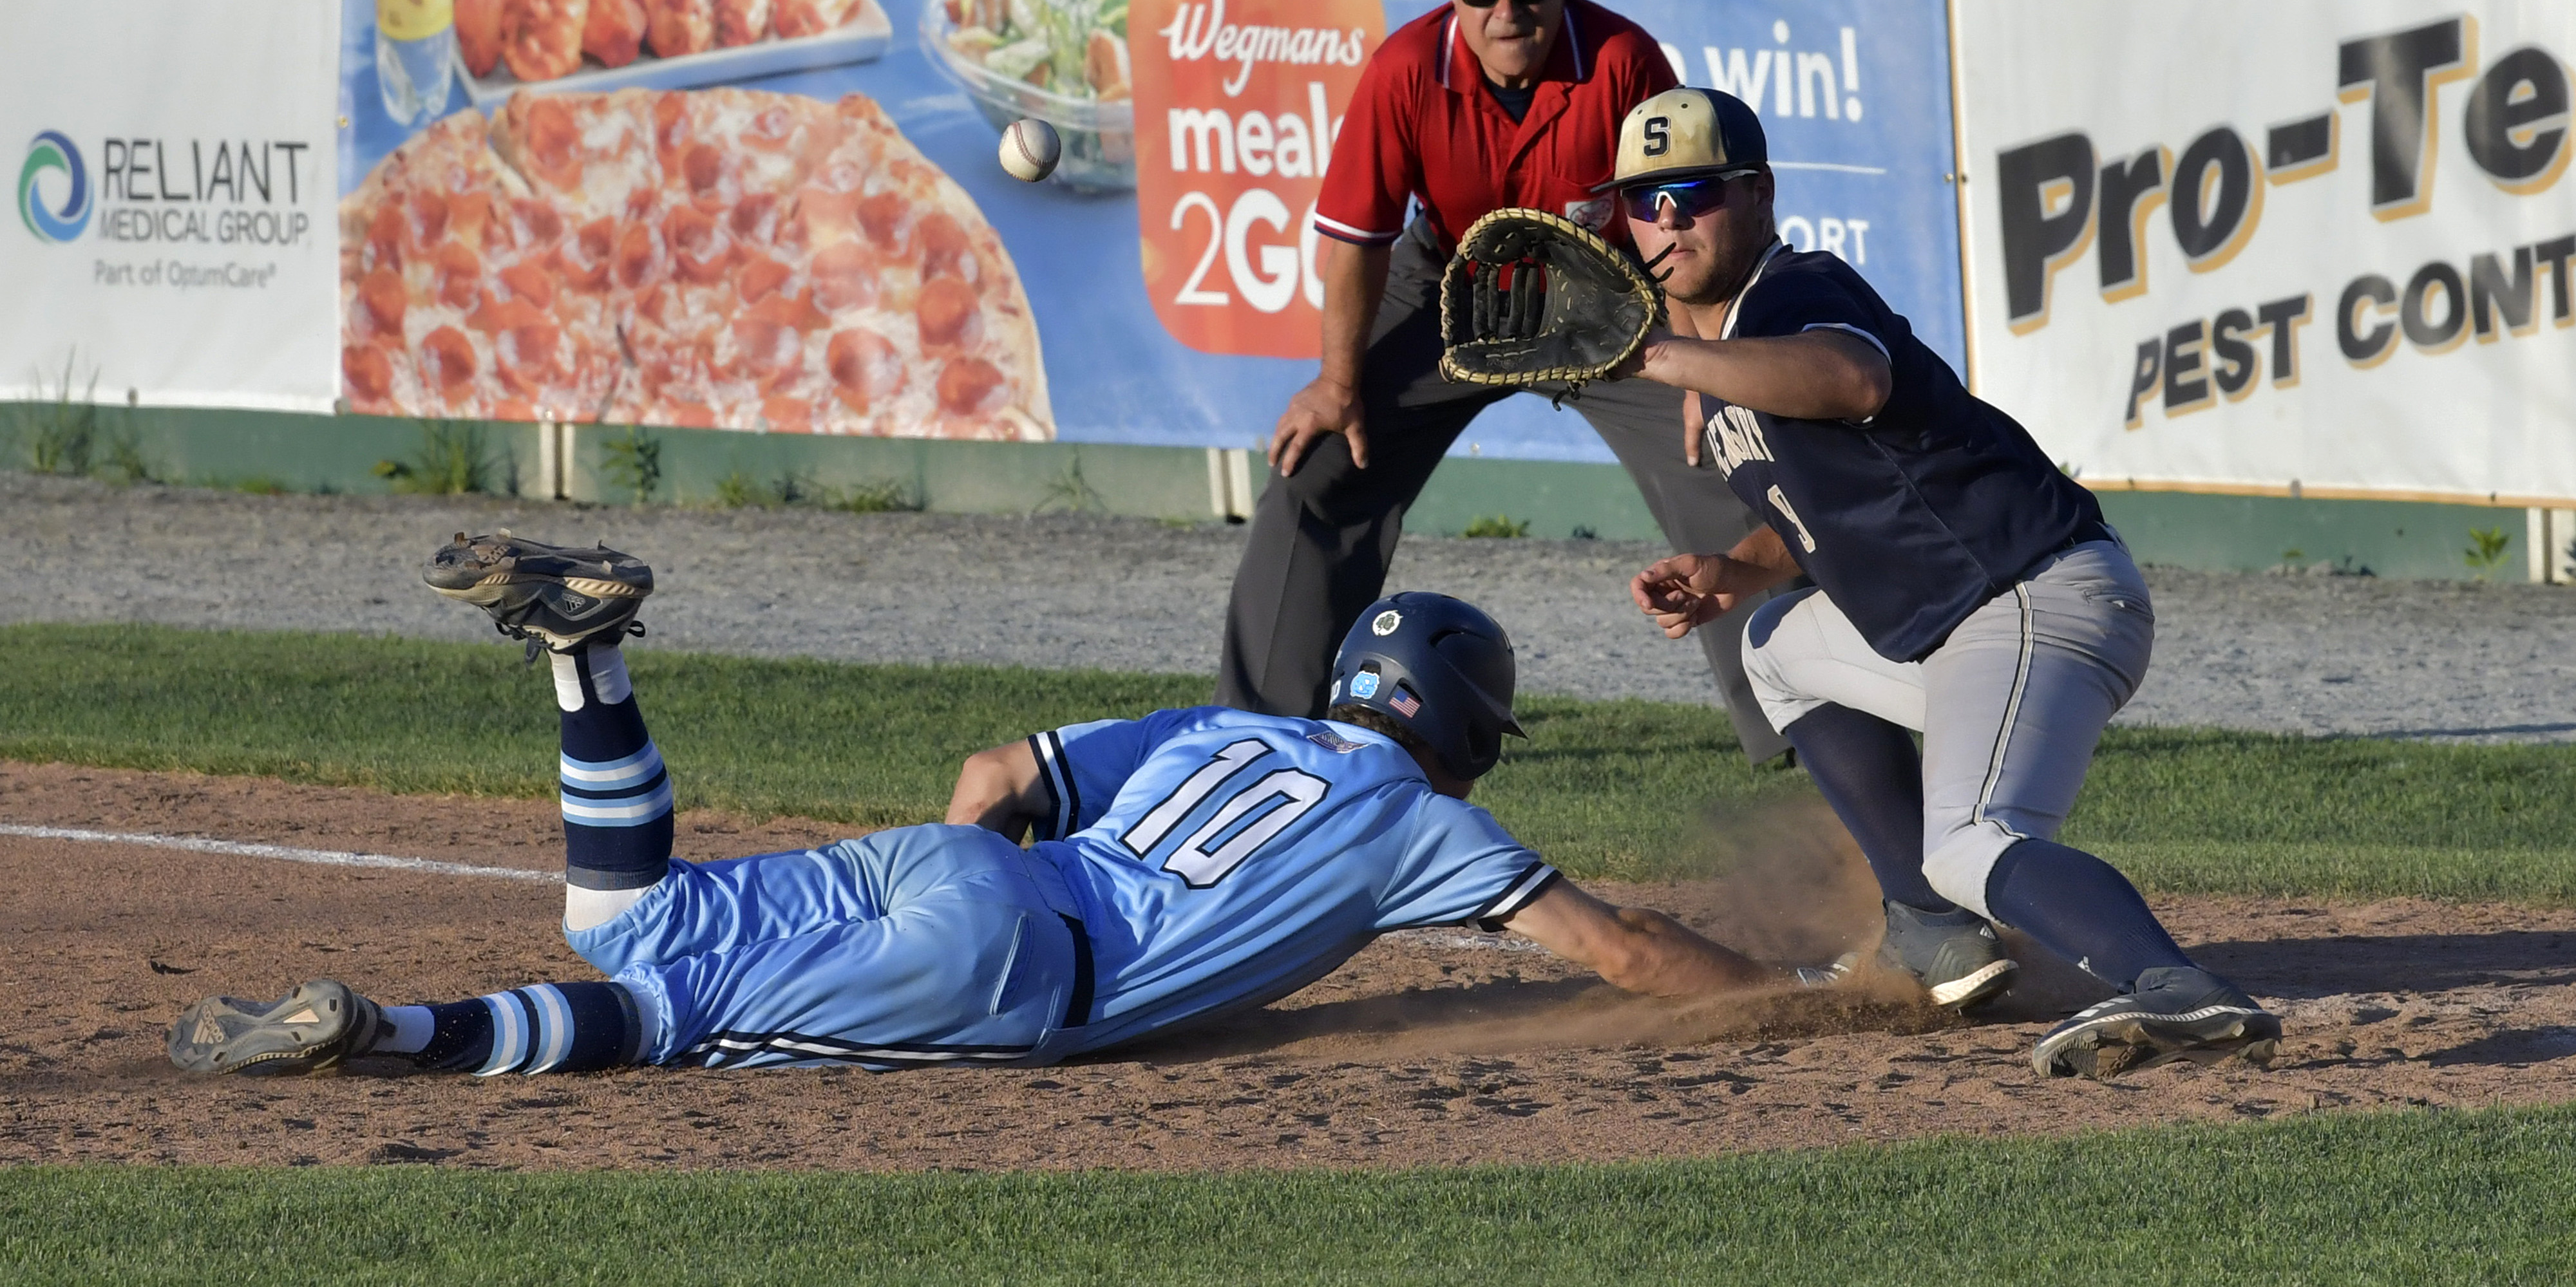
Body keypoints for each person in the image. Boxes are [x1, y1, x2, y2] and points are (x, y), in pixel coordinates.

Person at [167, 534, 1774, 1078]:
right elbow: (1621, 948)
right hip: (1017, 965)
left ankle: (590, 673)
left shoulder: (1229, 723)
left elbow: (996, 779)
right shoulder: (1423, 823)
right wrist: (1798, 1000)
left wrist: (965, 888)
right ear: (1461, 729)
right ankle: (383, 1033)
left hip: (952, 860)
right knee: (669, 1015)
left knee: (617, 917)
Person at [1607, 88, 2282, 1080]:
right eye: (1644, 198)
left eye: (1695, 191)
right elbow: (1830, 503)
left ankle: (2175, 985)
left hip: (2032, 598)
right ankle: (1932, 930)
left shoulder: (1795, 292)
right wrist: (1738, 569)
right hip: (1966, 626)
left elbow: (1855, 380)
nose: (1667, 218)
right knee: (1777, 648)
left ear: (1758, 195)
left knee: (1968, 838)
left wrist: (1663, 356)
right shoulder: (1717, 363)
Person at [1220, 0, 1799, 766]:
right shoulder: (1406, 69)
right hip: (1453, 281)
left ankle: (1802, 733)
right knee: (1323, 466)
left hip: (1604, 288)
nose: (1507, 11)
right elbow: (1357, 242)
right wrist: (1339, 386)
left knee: (1725, 453)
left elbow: (1676, 223)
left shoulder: (1622, 60)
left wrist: (1703, 371)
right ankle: (1254, 738)